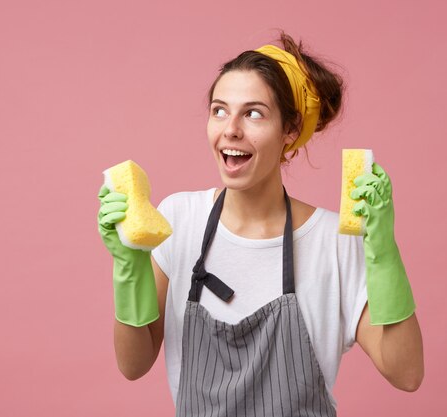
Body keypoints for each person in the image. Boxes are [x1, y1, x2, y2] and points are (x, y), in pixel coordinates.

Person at [97, 32, 424, 416]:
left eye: (253, 113)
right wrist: (128, 264)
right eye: (219, 110)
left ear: (289, 130)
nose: (230, 128)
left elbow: (407, 374)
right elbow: (133, 365)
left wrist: (383, 252)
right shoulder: (178, 220)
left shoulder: (333, 243)